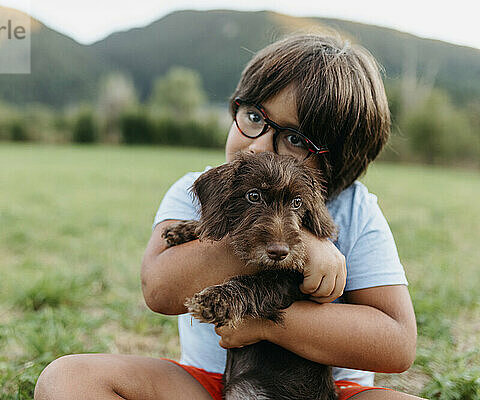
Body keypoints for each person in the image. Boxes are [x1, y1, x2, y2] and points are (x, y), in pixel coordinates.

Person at [34, 33, 421, 400]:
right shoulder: (201, 187)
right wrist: (288, 242)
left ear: (340, 161)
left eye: (296, 139)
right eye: (254, 117)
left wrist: (266, 322)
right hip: (208, 385)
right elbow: (160, 290)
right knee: (68, 379)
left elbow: (396, 345)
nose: (257, 147)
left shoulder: (356, 209)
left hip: (328, 392)